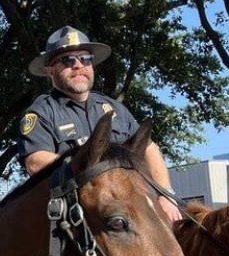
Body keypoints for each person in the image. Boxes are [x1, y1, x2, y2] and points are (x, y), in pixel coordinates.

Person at [18, 26, 183, 223]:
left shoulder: (114, 108)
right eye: (68, 60)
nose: (78, 65)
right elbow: (36, 161)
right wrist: (94, 176)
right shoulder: (42, 112)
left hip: (131, 207)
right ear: (51, 70)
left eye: (85, 59)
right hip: (77, 216)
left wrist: (165, 195)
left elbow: (149, 148)